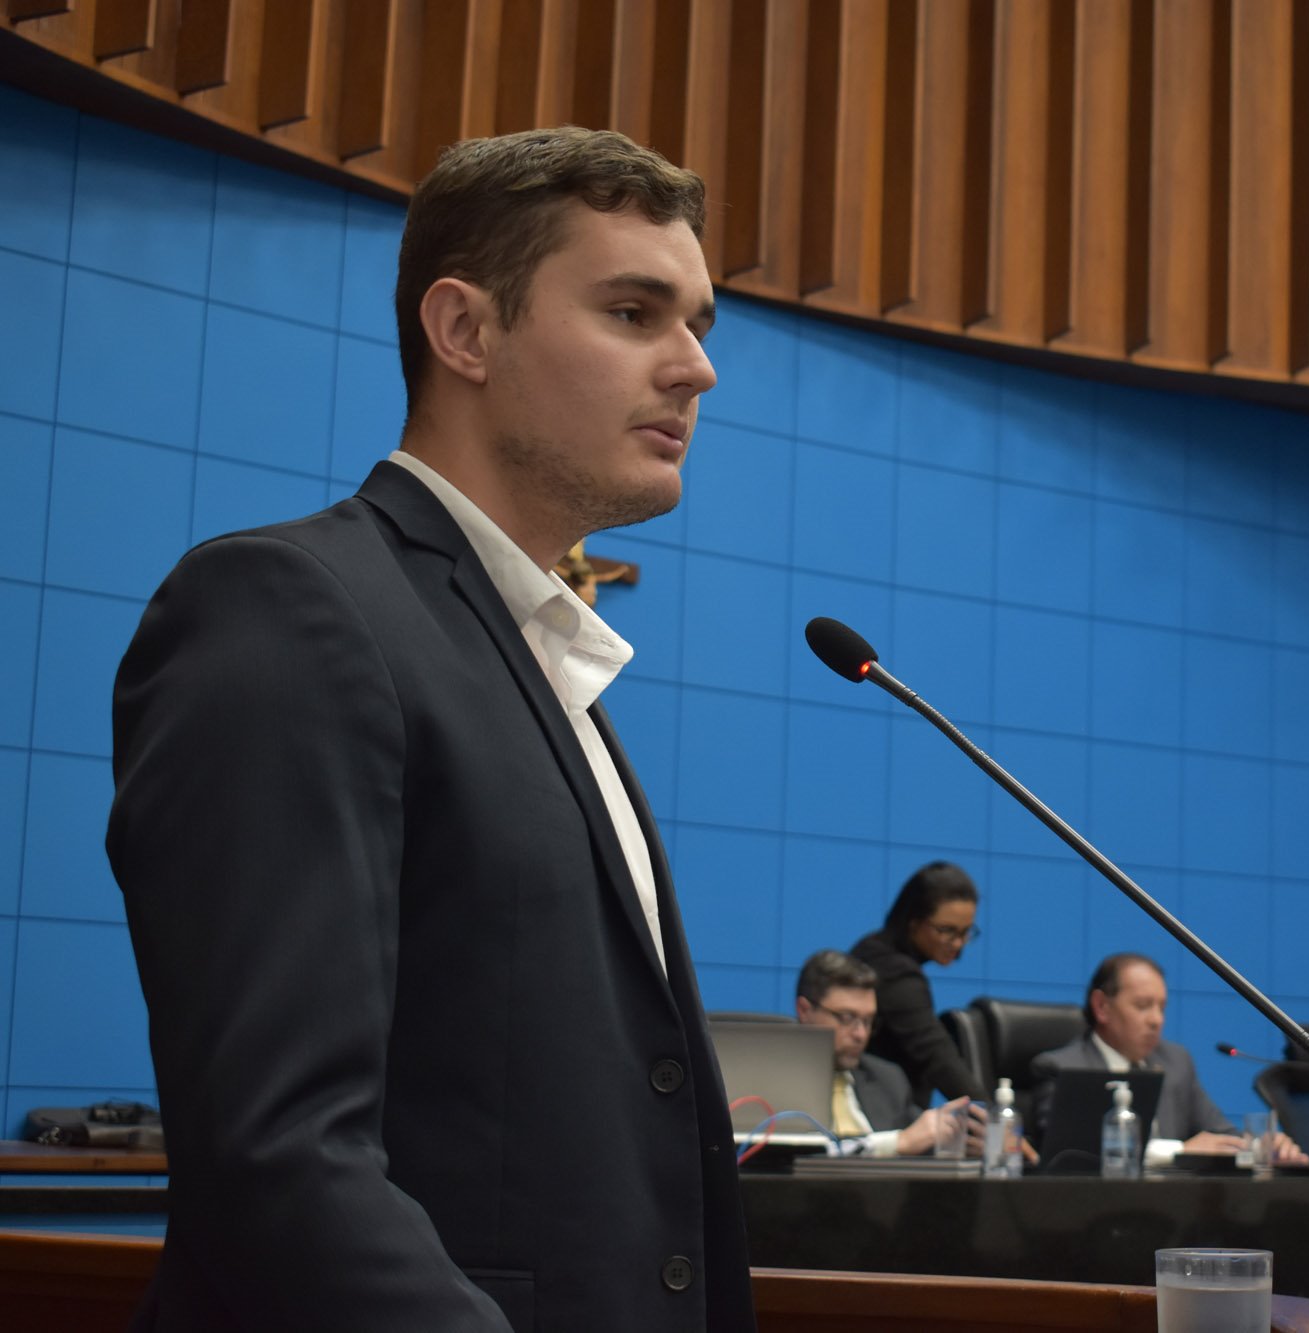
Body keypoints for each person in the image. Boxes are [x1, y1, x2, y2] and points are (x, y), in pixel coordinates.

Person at [107, 127, 752, 1330]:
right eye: (633, 313)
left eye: (698, 325)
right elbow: (279, 1155)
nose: (695, 369)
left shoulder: (533, 652)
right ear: (464, 331)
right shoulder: (290, 607)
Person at [1030, 953, 1308, 1168]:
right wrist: (1179, 1151)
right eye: (1142, 1006)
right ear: (1102, 1006)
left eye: (1161, 1007)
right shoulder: (1062, 1069)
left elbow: (1219, 1134)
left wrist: (1261, 1146)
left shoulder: (1176, 1063)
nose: (1156, 1020)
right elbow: (1070, 1154)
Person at [793, 949, 978, 1157]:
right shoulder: (774, 1080)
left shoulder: (887, 1079)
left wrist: (973, 1141)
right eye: (846, 1017)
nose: (861, 1034)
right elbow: (796, 1155)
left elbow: (921, 1140)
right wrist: (896, 1143)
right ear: (805, 1010)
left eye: (868, 1021)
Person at [850, 862, 984, 1102]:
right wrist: (991, 1117)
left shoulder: (873, 949)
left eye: (965, 932)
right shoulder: (894, 972)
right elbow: (939, 1058)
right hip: (886, 1116)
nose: (957, 943)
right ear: (913, 921)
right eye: (946, 930)